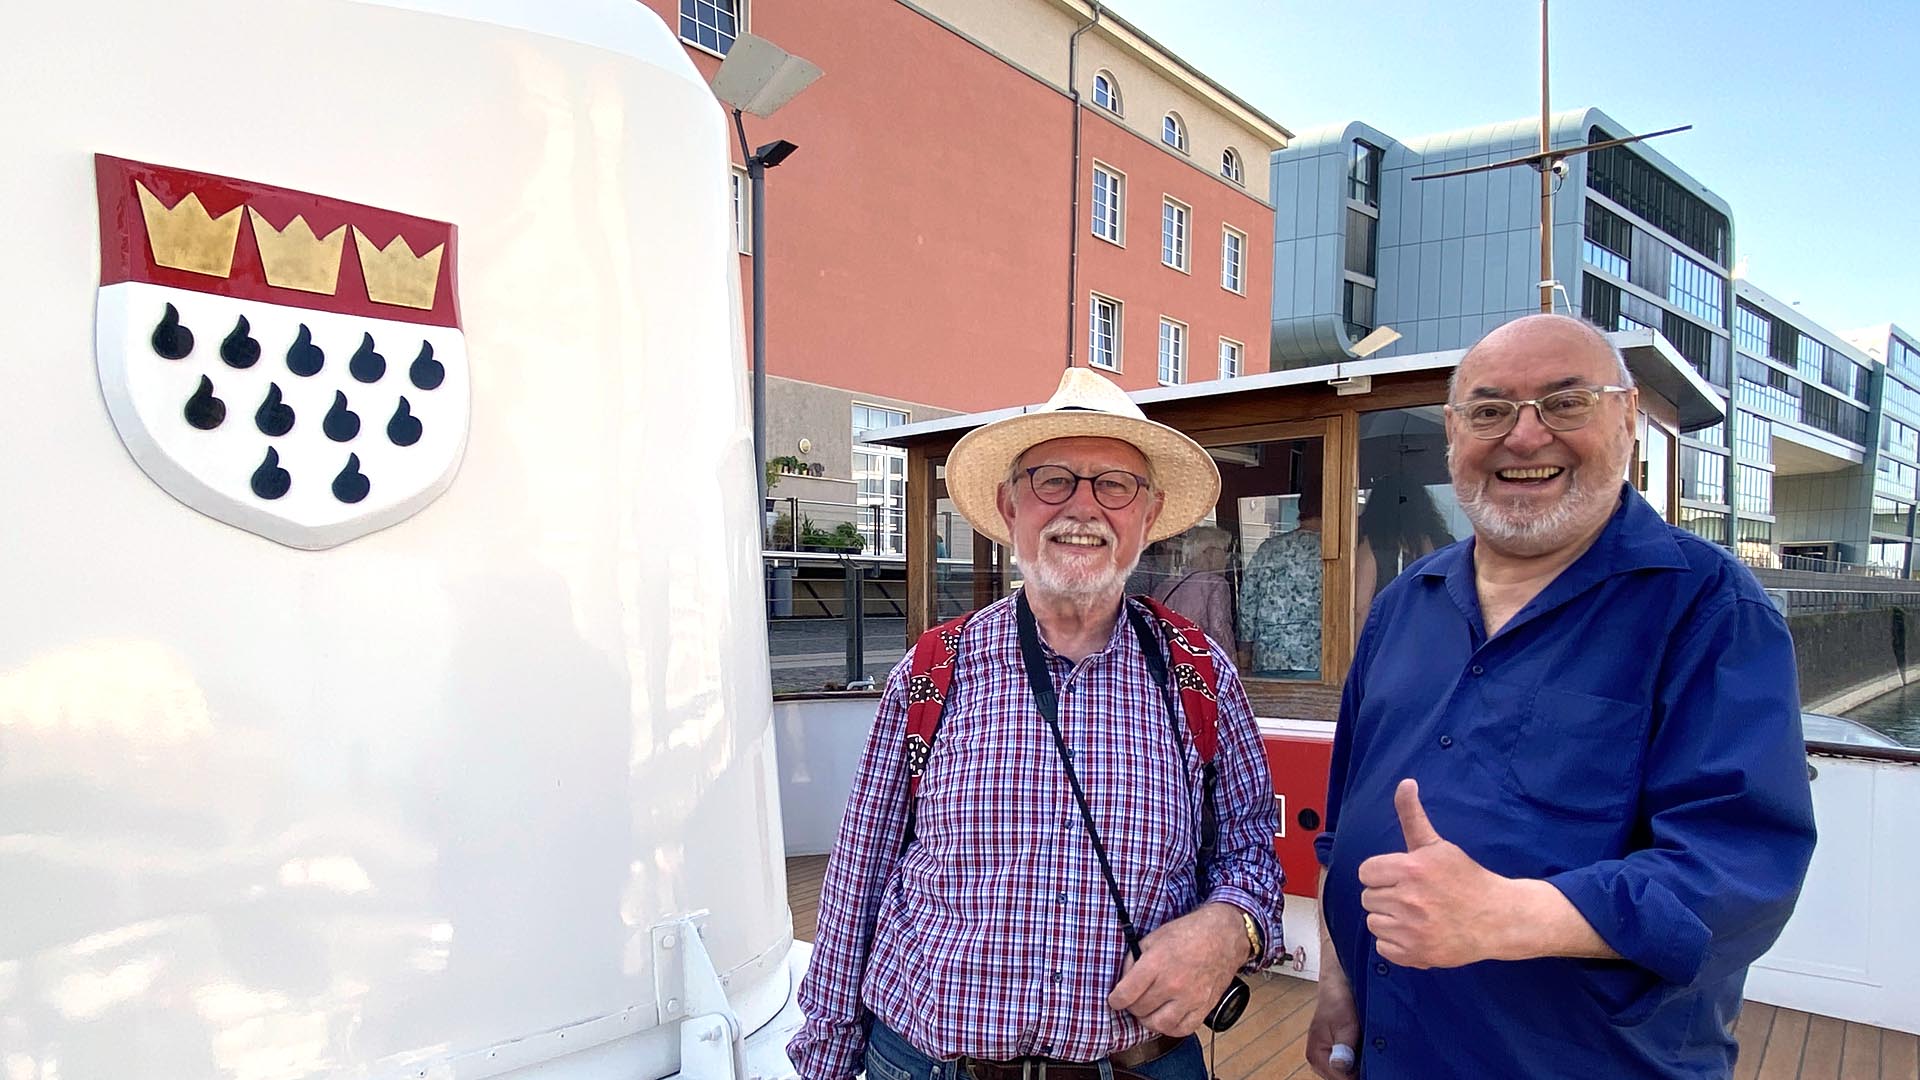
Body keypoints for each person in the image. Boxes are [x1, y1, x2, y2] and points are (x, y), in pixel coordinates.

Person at [1306, 314, 1816, 1079]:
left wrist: (1510, 916)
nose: (1523, 436)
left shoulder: (1709, 610)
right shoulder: (1405, 603)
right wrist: (1340, 985)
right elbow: (1349, 823)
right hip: (1392, 1048)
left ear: (1627, 418)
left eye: (1565, 402)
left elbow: (1737, 871)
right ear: (1453, 433)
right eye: (1490, 410)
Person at [789, 368, 1285, 1080]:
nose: (1082, 508)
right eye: (1053, 480)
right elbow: (857, 878)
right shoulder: (937, 669)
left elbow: (1250, 853)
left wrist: (1228, 928)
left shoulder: (1197, 674)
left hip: (1135, 1066)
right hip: (928, 1064)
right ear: (1008, 504)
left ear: (1148, 516)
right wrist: (826, 1063)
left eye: (1114, 485)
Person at [1239, 481, 1323, 678]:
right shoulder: (1332, 553)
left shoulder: (1268, 549)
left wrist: (1245, 649)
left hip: (1268, 654)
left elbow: (1248, 601)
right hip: (1314, 657)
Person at [1351, 475, 1453, 630]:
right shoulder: (1445, 544)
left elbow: (1360, 608)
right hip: (1437, 637)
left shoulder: (1374, 545)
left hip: (1391, 638)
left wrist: (1360, 652)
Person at [1153, 525, 1236, 651]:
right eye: (1224, 551)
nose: (1227, 559)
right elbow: (1219, 630)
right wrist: (1232, 664)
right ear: (1210, 553)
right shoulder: (1215, 585)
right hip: (1198, 659)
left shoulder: (1164, 586)